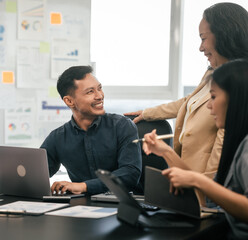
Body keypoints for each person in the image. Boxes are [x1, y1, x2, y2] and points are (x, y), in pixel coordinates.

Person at [125, 3, 248, 179]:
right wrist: (148, 113)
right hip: (188, 178)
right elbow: (191, 100)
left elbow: (215, 178)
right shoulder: (213, 72)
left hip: (204, 187)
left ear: (224, 35)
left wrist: (205, 191)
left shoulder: (239, 85)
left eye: (203, 38)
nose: (200, 47)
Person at [143, 59, 248, 238]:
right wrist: (166, 152)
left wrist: (198, 181)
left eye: (213, 97)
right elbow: (209, 193)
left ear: (236, 98)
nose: (209, 105)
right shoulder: (238, 141)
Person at [40, 66, 141, 195]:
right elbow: (36, 174)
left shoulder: (122, 126)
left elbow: (130, 174)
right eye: (90, 92)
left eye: (99, 88)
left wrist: (83, 186)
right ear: (69, 101)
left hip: (125, 205)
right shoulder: (58, 137)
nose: (100, 96)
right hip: (82, 207)